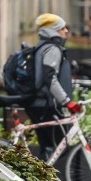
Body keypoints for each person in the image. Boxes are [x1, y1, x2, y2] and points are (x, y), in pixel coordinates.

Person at [26, 14, 78, 161]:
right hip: (45, 104)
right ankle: (42, 180)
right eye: (63, 28)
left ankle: (43, 179)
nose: (66, 31)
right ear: (54, 30)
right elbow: (50, 78)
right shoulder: (52, 48)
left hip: (39, 102)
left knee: (48, 146)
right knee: (50, 148)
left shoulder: (42, 46)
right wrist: (66, 101)